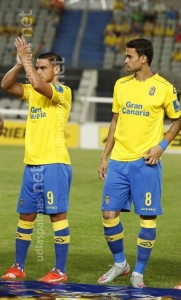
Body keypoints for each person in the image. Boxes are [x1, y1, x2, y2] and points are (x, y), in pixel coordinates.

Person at [98, 38, 181, 288]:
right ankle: (121, 264)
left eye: (129, 56)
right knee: (108, 214)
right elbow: (115, 122)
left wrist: (161, 147)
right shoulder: (121, 85)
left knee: (147, 218)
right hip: (119, 162)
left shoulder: (165, 87)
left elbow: (177, 120)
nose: (125, 60)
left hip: (146, 163)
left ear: (143, 58)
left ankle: (138, 274)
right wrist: (104, 156)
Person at [1, 36, 72, 284]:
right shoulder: (32, 90)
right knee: (26, 216)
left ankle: (60, 271)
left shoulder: (62, 92)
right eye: (38, 67)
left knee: (57, 217)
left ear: (57, 69)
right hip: (32, 164)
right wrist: (20, 64)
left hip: (54, 163)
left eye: (44, 67)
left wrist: (28, 62)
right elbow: (7, 84)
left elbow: (42, 87)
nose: (39, 71)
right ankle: (18, 266)